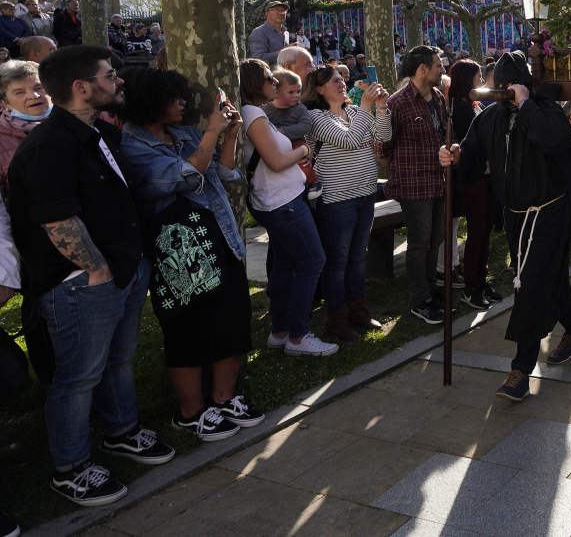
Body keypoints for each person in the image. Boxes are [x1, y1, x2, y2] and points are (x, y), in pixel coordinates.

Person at [9, 46, 175, 506]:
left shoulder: (96, 131)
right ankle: (71, 467)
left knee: (117, 361)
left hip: (120, 270)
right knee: (77, 377)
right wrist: (96, 271)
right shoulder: (48, 147)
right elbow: (58, 221)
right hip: (80, 284)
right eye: (108, 75)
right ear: (82, 88)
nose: (118, 81)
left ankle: (120, 431)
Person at [118, 67, 263, 442]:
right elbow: (182, 177)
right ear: (150, 101)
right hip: (177, 251)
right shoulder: (132, 146)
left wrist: (229, 133)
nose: (182, 103)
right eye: (173, 97)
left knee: (231, 318)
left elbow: (225, 173)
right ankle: (191, 411)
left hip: (219, 237)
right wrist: (212, 131)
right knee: (188, 329)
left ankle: (224, 398)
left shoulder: (183, 134)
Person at [442, 50, 571, 401]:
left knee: (531, 284)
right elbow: (472, 157)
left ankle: (521, 368)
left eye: (512, 85)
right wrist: (456, 154)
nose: (504, 91)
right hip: (515, 213)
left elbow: (553, 141)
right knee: (548, 276)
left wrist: (526, 105)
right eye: (500, 85)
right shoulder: (489, 117)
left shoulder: (546, 111)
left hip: (550, 211)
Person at [239, 58, 335, 357]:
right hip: (281, 202)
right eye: (270, 78)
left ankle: (280, 331)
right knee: (312, 261)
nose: (276, 83)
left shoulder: (255, 113)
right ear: (256, 83)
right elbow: (277, 161)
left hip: (280, 198)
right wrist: (305, 150)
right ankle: (298, 335)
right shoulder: (254, 114)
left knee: (286, 264)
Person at [302, 66, 390, 342]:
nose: (342, 83)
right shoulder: (316, 117)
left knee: (357, 257)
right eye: (334, 80)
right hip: (338, 199)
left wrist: (382, 108)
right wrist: (366, 106)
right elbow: (350, 141)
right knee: (338, 261)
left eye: (342, 78)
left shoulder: (354, 113)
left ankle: (358, 312)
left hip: (365, 194)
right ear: (318, 89)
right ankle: (336, 321)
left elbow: (383, 137)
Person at [379, 45, 448, 325]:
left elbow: (444, 132)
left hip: (439, 181)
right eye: (438, 65)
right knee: (420, 242)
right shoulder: (397, 103)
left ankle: (431, 292)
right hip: (413, 186)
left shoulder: (439, 96)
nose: (442, 69)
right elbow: (382, 149)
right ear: (422, 70)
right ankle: (419, 300)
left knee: (436, 240)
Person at [445, 59, 499, 310]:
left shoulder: (472, 104)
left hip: (484, 175)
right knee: (477, 232)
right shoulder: (461, 108)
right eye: (478, 75)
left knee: (484, 230)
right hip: (472, 177)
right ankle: (471, 286)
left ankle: (480, 279)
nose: (481, 79)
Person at [0, 59, 51, 199]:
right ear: (4, 104)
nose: (33, 96)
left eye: (38, 87)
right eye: (19, 92)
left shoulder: (76, 119)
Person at [247, 1, 290, 67]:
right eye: (277, 10)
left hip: (285, 75)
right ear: (267, 13)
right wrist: (283, 52)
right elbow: (258, 59)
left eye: (283, 10)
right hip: (267, 76)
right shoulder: (259, 32)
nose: (281, 13)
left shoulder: (286, 33)